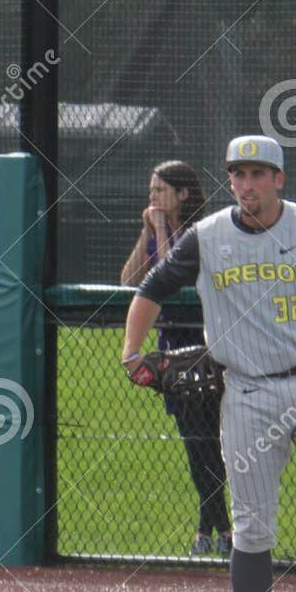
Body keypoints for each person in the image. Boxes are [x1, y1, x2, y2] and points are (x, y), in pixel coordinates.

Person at [123, 135, 296, 592]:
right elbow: (150, 287)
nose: (247, 184)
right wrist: (131, 352)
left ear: (279, 180)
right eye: (238, 174)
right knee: (250, 525)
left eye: (258, 173)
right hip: (245, 391)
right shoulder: (208, 236)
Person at [120, 160, 231, 557]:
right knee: (195, 443)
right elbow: (130, 281)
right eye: (151, 190)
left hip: (205, 350)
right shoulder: (157, 232)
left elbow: (172, 275)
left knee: (209, 443)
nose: (152, 197)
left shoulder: (200, 235)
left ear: (183, 195)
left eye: (161, 190)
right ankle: (215, 529)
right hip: (171, 355)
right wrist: (147, 231)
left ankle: (216, 530)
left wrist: (163, 230)